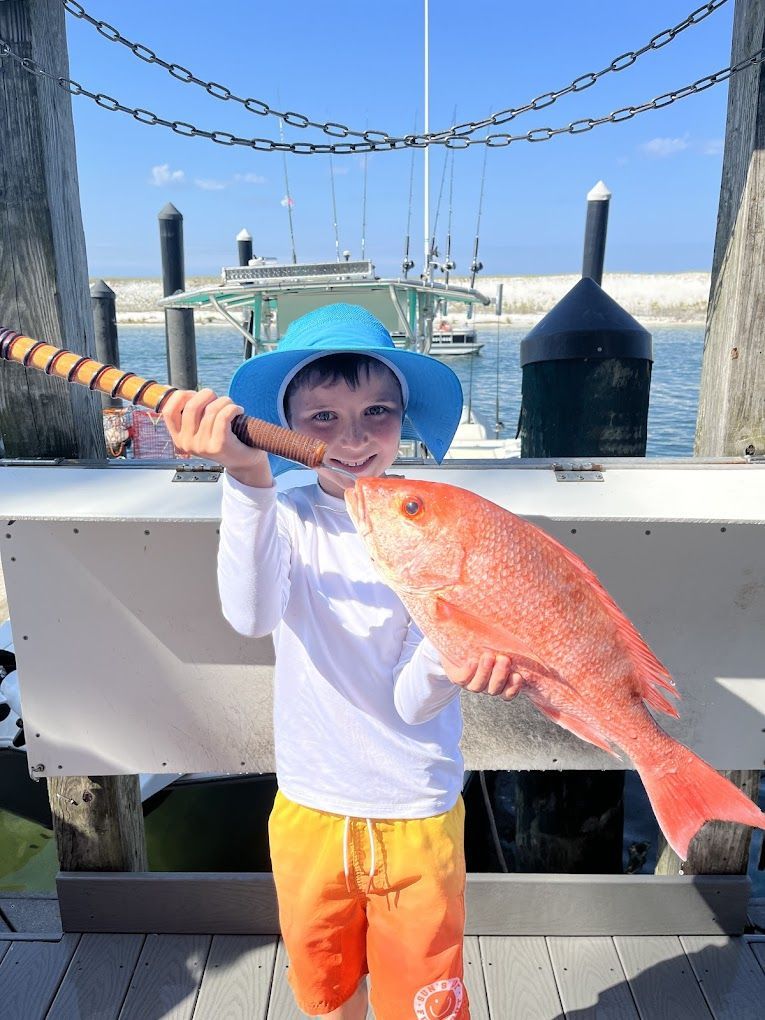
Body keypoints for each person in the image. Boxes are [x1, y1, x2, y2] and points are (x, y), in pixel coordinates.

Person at [163, 304, 521, 1020]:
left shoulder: (442, 525)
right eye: (321, 417)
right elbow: (251, 615)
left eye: (377, 412)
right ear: (285, 424)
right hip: (309, 805)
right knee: (325, 993)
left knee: (421, 1002)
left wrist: (456, 659)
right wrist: (246, 479)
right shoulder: (283, 514)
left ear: (404, 419)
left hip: (416, 810)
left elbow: (410, 702)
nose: (353, 438)